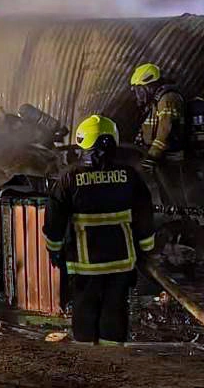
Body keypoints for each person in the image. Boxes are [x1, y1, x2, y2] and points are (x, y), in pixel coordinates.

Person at [43, 114, 155, 345]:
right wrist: (146, 249)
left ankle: (88, 362)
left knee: (85, 310)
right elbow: (144, 216)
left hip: (84, 265)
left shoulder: (69, 179)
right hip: (121, 262)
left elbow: (54, 221)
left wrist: (54, 249)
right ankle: (111, 359)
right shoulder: (130, 176)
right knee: (114, 310)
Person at [130, 63, 190, 210]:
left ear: (148, 86)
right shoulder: (157, 101)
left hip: (170, 160)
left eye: (139, 90)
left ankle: (182, 225)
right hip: (162, 158)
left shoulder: (168, 99)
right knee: (165, 196)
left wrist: (151, 157)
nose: (138, 94)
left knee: (174, 196)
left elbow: (165, 131)